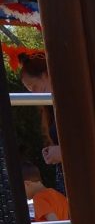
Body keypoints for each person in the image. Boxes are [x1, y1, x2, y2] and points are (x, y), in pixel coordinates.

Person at [20, 54, 65, 194]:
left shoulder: (72, 100)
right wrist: (53, 152)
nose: (34, 93)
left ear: (46, 74)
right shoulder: (51, 109)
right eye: (29, 90)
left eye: (34, 87)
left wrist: (62, 153)